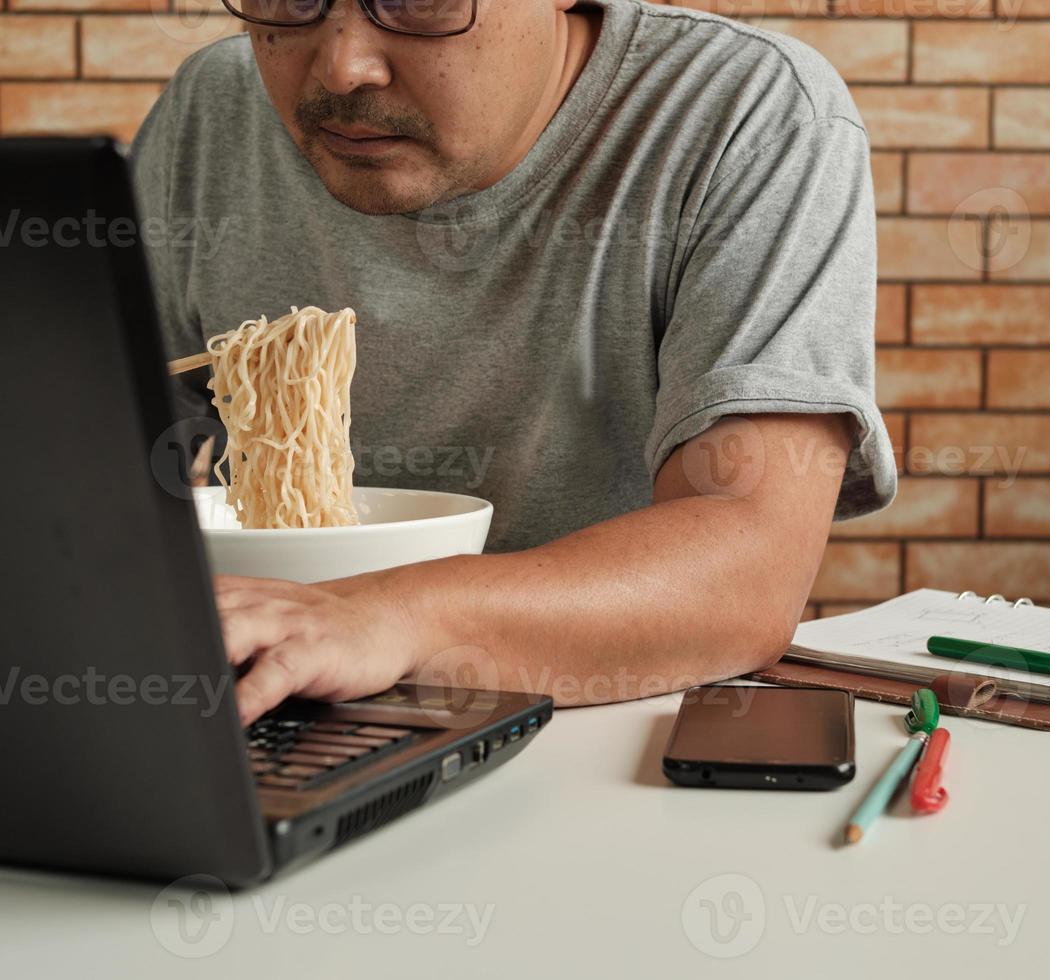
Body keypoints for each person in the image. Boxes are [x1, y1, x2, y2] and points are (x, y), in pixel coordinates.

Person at [129, 0, 896, 724]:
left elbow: (746, 573)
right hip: (263, 710)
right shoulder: (214, 110)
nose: (343, 68)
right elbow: (84, 466)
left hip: (606, 732)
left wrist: (390, 616)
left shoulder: (744, 114)